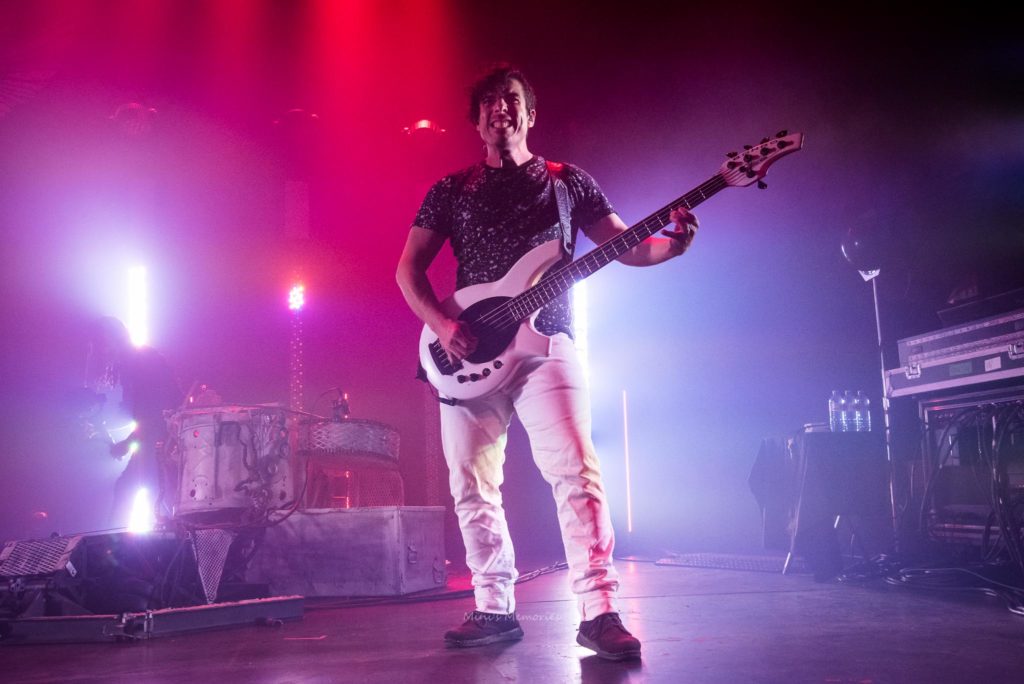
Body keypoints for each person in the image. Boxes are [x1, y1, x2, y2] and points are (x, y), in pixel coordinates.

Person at [395, 65, 699, 661]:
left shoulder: (568, 182)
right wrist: (444, 325)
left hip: (547, 345)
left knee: (576, 473)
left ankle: (600, 611)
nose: (499, 109)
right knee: (472, 485)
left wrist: (673, 246)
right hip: (469, 351)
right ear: (476, 120)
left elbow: (626, 245)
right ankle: (493, 606)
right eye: (488, 102)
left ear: (530, 114)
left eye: (511, 100)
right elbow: (408, 270)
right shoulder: (450, 189)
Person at [83, 316, 182, 527]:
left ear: (112, 337)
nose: (100, 351)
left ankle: (118, 544)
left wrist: (127, 443)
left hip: (162, 440)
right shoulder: (133, 364)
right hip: (157, 438)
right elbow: (144, 413)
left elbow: (155, 413)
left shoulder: (142, 361)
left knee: (135, 490)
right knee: (152, 492)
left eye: (101, 343)